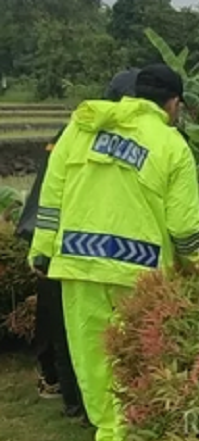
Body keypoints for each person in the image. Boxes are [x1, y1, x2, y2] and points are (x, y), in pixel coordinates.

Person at [27, 63, 199, 441]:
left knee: (93, 357)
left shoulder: (82, 127)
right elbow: (183, 225)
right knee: (139, 357)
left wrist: (42, 249)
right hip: (139, 274)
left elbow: (51, 196)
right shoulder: (171, 144)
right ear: (173, 103)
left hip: (77, 263)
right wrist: (194, 266)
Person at [16, 69, 139, 421]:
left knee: (67, 326)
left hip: (62, 240)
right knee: (67, 327)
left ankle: (74, 398)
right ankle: (72, 396)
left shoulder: (82, 131)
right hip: (64, 240)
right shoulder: (82, 134)